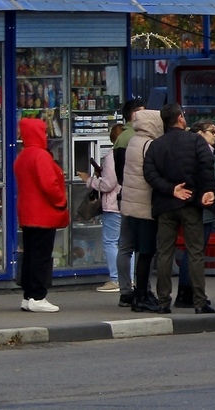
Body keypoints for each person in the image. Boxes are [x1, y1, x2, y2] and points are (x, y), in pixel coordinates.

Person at [144, 103, 215, 314]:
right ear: (181, 119)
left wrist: (170, 189)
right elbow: (206, 164)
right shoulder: (195, 141)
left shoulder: (155, 145)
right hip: (191, 203)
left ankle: (163, 302)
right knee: (195, 252)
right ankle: (199, 301)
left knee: (164, 252)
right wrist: (207, 190)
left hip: (165, 205)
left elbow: (149, 173)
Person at [15, 117, 70, 313]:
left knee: (31, 254)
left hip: (28, 212)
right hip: (43, 212)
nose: (46, 135)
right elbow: (49, 185)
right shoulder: (41, 155)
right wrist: (61, 201)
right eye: (44, 131)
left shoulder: (23, 155)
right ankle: (38, 296)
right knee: (42, 256)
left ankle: (29, 295)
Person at [174, 120, 215, 308]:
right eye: (211, 131)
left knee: (195, 250)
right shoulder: (199, 153)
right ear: (199, 133)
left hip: (204, 207)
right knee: (194, 252)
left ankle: (186, 291)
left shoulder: (207, 153)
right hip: (201, 207)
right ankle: (187, 292)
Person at [119, 108, 163, 313]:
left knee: (131, 249)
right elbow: (152, 173)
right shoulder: (149, 144)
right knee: (146, 252)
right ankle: (142, 295)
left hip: (130, 204)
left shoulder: (134, 141)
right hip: (144, 205)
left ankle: (137, 293)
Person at [78, 122, 124, 293]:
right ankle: (129, 278)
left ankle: (116, 279)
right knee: (127, 245)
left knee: (111, 242)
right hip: (128, 203)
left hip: (113, 205)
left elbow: (108, 184)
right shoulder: (132, 153)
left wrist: (89, 180)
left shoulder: (112, 156)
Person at [112, 98, 144, 306]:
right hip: (141, 197)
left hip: (126, 196)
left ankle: (125, 290)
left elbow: (119, 174)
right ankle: (141, 289)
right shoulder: (139, 137)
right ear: (134, 115)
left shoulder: (121, 138)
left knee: (125, 246)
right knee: (143, 246)